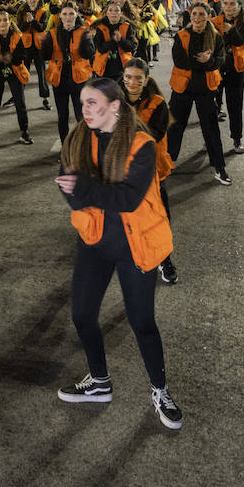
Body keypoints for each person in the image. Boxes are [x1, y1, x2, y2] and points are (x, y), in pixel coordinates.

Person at [55, 77, 181, 430]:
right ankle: (99, 381)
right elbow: (66, 183)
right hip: (95, 239)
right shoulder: (78, 136)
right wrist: (82, 192)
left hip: (135, 244)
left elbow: (127, 199)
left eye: (93, 103)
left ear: (115, 106)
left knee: (141, 322)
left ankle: (160, 390)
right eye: (83, 103)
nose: (85, 110)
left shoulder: (142, 145)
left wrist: (83, 189)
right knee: (81, 315)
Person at [122, 58, 177, 285]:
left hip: (151, 170)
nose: (132, 82)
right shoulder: (113, 97)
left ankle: (164, 259)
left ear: (145, 80)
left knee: (158, 217)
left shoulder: (158, 103)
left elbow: (154, 134)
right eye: (128, 77)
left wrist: (127, 123)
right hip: (122, 169)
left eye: (138, 78)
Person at [166, 3, 231, 185]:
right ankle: (165, 164)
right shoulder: (181, 36)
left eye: (202, 14)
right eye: (194, 14)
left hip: (205, 90)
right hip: (182, 89)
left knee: (211, 130)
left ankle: (219, 167)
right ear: (190, 15)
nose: (197, 17)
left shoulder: (216, 37)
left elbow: (220, 60)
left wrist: (209, 60)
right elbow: (179, 61)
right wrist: (205, 63)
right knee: (174, 128)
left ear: (208, 16)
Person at [42, 4, 97, 144]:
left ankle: (83, 146)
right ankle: (65, 146)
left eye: (71, 14)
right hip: (59, 79)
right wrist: (44, 43)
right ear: (60, 16)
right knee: (62, 116)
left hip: (79, 79)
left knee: (81, 115)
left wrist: (86, 40)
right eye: (65, 14)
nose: (68, 17)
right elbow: (45, 55)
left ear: (76, 15)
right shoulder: (53, 33)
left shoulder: (84, 32)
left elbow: (89, 54)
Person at [212, 0, 244, 154]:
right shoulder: (215, 22)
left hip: (236, 69)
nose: (228, 7)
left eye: (232, 4)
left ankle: (237, 138)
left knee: (235, 106)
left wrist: (230, 30)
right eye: (226, 4)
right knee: (212, 104)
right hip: (217, 68)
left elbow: (240, 41)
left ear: (239, 7)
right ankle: (211, 137)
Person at [0, 10, 33, 144]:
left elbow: (23, 55)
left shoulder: (17, 36)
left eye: (5, 20)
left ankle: (25, 131)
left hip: (15, 70)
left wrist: (12, 58)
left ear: (10, 22)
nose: (2, 23)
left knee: (20, 102)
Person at [89, 1, 136, 81]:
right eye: (110, 10)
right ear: (107, 13)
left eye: (117, 11)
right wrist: (113, 41)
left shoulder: (127, 27)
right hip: (104, 69)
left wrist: (121, 40)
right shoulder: (100, 28)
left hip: (122, 68)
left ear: (121, 13)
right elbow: (100, 48)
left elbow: (132, 47)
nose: (113, 13)